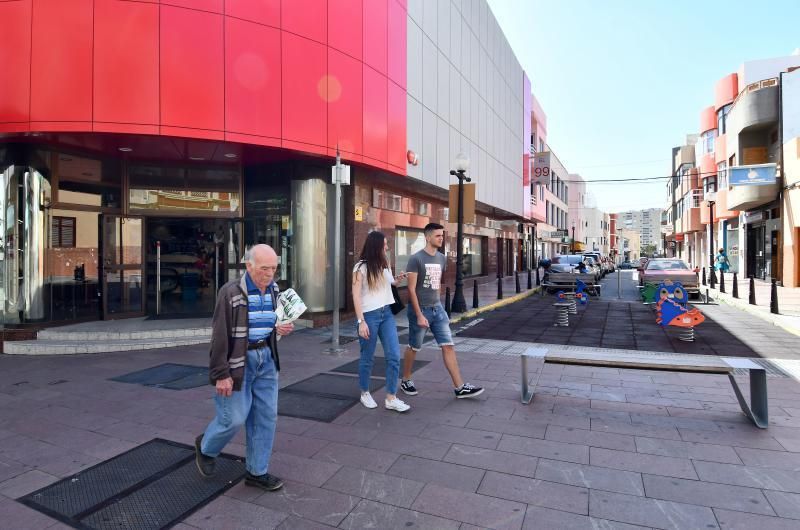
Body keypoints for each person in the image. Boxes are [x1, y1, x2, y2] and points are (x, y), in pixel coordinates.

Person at [195, 244, 294, 492]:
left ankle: (256, 472)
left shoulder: (273, 290)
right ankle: (206, 447)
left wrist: (279, 328)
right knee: (234, 418)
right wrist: (221, 374)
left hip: (267, 360)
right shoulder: (230, 292)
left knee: (266, 418)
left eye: (273, 268)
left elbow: (270, 324)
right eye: (264, 268)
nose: (270, 273)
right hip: (239, 362)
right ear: (248, 266)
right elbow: (219, 336)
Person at [400, 223, 484, 399]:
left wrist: (439, 306)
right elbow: (411, 290)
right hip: (420, 310)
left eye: (442, 235)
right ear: (428, 237)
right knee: (414, 347)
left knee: (448, 346)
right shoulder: (416, 259)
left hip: (437, 309)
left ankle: (459, 387)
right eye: (438, 235)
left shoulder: (441, 258)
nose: (441, 238)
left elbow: (435, 285)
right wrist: (419, 315)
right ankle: (406, 379)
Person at [352, 232, 410, 412]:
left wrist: (398, 280)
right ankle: (364, 393)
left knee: (393, 355)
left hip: (387, 315)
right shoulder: (360, 267)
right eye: (384, 244)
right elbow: (355, 295)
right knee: (367, 357)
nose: (386, 247)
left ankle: (391, 397)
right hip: (369, 315)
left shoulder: (385, 264)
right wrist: (361, 321)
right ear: (375, 246)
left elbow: (390, 283)